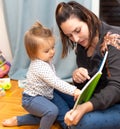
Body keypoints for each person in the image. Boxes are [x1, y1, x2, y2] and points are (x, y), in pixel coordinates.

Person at [2, 21, 81, 129]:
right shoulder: (39, 66)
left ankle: (19, 120)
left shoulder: (46, 60)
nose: (52, 52)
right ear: (34, 53)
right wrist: (73, 90)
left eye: (53, 47)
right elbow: (55, 82)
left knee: (52, 114)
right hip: (31, 99)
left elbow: (54, 80)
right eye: (47, 50)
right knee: (51, 111)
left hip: (45, 94)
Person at [55, 1, 120, 129]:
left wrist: (85, 107)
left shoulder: (113, 39)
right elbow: (88, 85)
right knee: (50, 90)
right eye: (69, 36)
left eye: (78, 31)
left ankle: (71, 123)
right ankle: (69, 123)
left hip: (116, 101)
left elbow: (116, 88)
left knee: (82, 122)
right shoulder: (81, 46)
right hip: (97, 98)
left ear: (88, 18)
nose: (76, 39)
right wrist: (77, 77)